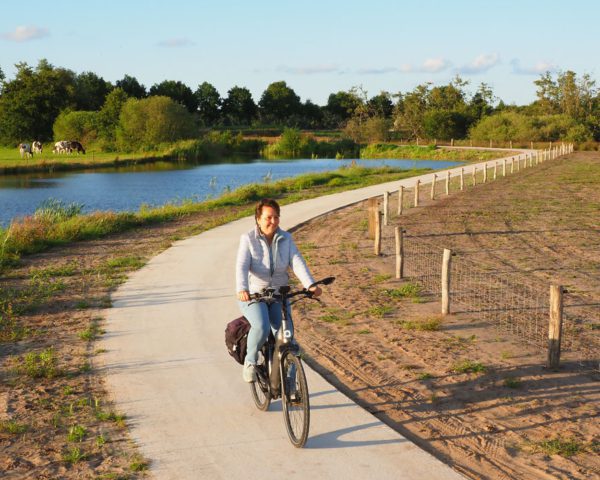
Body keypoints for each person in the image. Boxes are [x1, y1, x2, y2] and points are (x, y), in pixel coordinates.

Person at [236, 198, 321, 382]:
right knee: (262, 326)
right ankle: (250, 361)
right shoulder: (248, 239)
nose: (272, 221)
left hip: (278, 295)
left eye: (276, 217)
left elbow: (297, 262)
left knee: (286, 338)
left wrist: (310, 284)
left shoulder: (286, 238)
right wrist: (242, 288)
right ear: (258, 219)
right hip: (254, 296)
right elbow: (242, 266)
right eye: (268, 217)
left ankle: (290, 384)